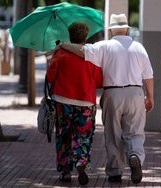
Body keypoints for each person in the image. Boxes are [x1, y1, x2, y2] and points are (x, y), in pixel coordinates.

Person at [60, 14, 154, 184]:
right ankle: (135, 157)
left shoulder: (104, 46)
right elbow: (148, 75)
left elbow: (82, 51)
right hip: (135, 93)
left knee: (113, 134)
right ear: (126, 29)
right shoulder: (139, 47)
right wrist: (150, 97)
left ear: (111, 31)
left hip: (112, 94)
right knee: (135, 132)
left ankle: (115, 171)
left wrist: (63, 45)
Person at [46, 22, 103, 185]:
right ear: (85, 38)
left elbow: (50, 78)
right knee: (84, 135)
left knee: (63, 136)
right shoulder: (92, 56)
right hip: (85, 102)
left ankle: (65, 172)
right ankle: (81, 162)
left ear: (70, 36)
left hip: (62, 101)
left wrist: (51, 60)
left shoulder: (60, 54)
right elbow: (99, 81)